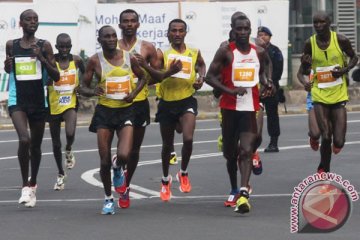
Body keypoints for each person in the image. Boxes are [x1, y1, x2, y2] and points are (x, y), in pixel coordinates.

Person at [206, 15, 272, 214]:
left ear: (250, 30)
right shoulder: (226, 52)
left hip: (249, 108)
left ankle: (243, 193)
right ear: (233, 30)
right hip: (229, 109)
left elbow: (266, 66)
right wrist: (229, 90)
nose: (243, 32)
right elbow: (209, 77)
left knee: (246, 150)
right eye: (239, 29)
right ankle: (234, 187)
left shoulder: (259, 52)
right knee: (229, 153)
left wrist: (269, 82)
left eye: (246, 29)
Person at [81, 25, 146, 215]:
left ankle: (118, 167)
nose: (110, 39)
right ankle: (108, 198)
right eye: (106, 37)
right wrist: (93, 90)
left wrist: (133, 93)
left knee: (125, 154)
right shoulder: (94, 60)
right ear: (100, 40)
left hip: (126, 111)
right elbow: (82, 87)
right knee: (103, 160)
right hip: (104, 113)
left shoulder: (128, 57)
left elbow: (143, 78)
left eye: (113, 36)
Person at [4, 9, 60, 207]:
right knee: (24, 139)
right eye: (28, 19)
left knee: (35, 146)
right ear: (21, 23)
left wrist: (42, 59)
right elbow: (9, 70)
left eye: (35, 19)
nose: (32, 22)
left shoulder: (44, 46)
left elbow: (56, 76)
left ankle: (33, 182)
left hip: (38, 101)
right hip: (17, 99)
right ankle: (25, 186)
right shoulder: (12, 45)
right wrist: (7, 67)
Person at [297, 11, 358, 173]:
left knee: (338, 142)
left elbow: (354, 58)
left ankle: (331, 152)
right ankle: (324, 170)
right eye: (315, 23)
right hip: (319, 94)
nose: (318, 26)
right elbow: (302, 70)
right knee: (326, 135)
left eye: (322, 22)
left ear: (329, 23)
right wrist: (305, 73)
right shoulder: (309, 43)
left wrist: (344, 70)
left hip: (338, 94)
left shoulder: (340, 40)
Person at [153, 19, 206, 202]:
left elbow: (201, 65)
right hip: (167, 103)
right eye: (173, 31)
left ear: (185, 32)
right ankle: (165, 180)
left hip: (186, 100)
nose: (177, 34)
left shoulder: (194, 51)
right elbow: (154, 76)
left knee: (188, 138)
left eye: (180, 30)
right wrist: (169, 71)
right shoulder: (163, 54)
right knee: (167, 145)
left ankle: (183, 172)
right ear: (168, 33)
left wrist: (201, 78)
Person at [47, 33, 85, 190]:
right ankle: (61, 174)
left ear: (70, 46)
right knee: (56, 143)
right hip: (53, 106)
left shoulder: (76, 60)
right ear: (56, 47)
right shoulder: (51, 61)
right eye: (61, 46)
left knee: (70, 133)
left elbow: (87, 74)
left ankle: (69, 149)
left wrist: (81, 85)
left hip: (70, 103)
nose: (64, 49)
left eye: (67, 46)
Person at [257, 26, 284, 152]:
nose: (262, 37)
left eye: (264, 35)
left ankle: (274, 142)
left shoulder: (275, 51)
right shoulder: (253, 50)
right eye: (259, 35)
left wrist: (269, 84)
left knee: (272, 116)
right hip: (255, 88)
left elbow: (278, 71)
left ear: (269, 37)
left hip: (270, 89)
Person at [297, 64, 321, 151]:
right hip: (313, 98)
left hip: (331, 97)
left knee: (328, 135)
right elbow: (299, 74)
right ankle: (313, 137)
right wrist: (305, 83)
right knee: (315, 134)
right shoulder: (310, 56)